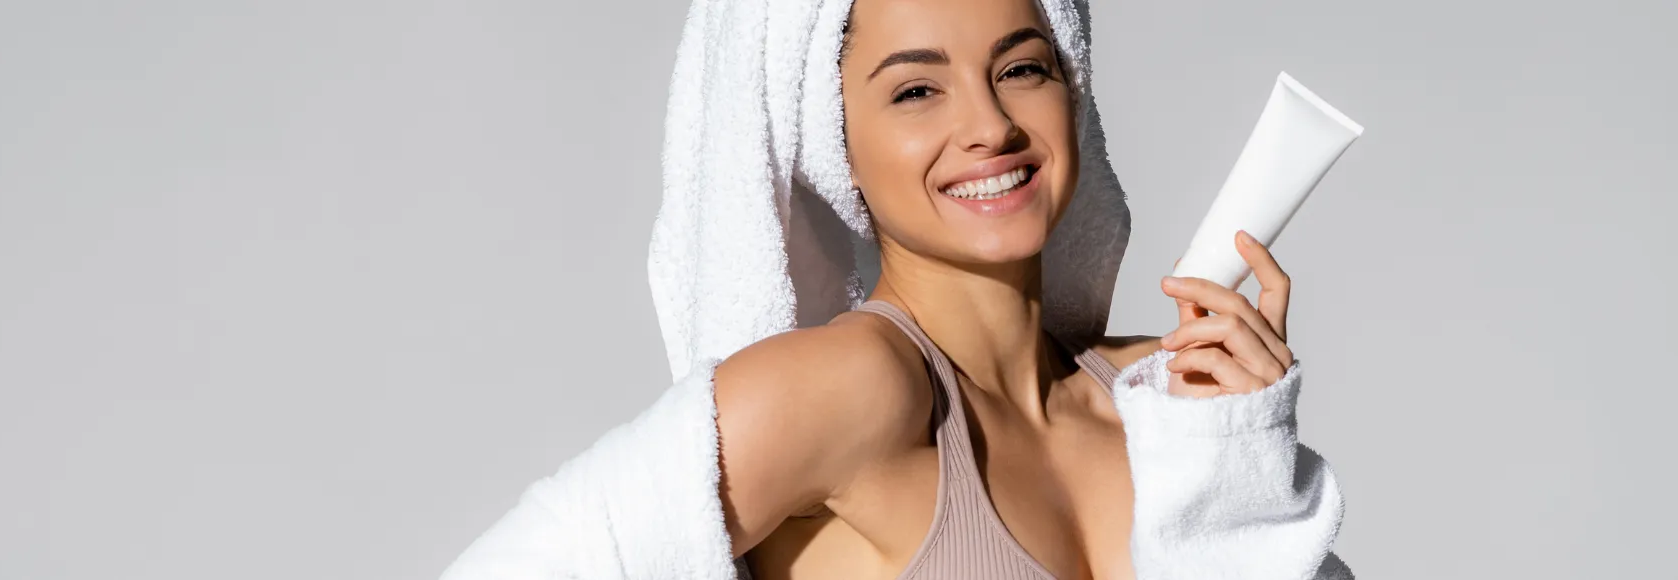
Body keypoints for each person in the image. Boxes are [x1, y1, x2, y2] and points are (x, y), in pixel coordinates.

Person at [442, 0, 1349, 578]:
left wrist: (1239, 461)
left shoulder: (1164, 403)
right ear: (835, 137)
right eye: (917, 90)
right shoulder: (844, 391)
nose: (989, 125)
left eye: (1021, 68)